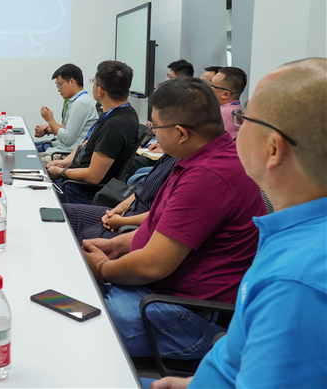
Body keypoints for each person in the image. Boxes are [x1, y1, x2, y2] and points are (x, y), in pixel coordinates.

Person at [150, 58, 327, 389]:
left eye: (244, 118)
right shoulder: (293, 232)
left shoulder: (296, 281)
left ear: (273, 149)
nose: (235, 126)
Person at [81, 77, 266, 361]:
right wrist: (116, 245)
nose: (153, 132)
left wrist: (103, 269)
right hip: (161, 296)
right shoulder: (199, 159)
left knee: (78, 329)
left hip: (183, 315)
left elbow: (153, 264)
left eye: (155, 127)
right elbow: (162, 228)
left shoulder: (208, 176)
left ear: (180, 133)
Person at [46, 61, 140, 205]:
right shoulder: (119, 113)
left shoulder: (114, 125)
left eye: (93, 82)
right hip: (74, 179)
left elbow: (93, 176)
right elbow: (86, 143)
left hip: (81, 190)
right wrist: (66, 162)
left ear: (100, 90)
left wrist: (61, 172)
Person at [64, 153, 178, 244]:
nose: (154, 133)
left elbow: (162, 215)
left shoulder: (184, 172)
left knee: (79, 240)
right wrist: (118, 209)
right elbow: (141, 191)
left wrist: (122, 222)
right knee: (64, 212)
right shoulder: (169, 156)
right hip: (131, 211)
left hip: (140, 226)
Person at [34, 64, 99, 163]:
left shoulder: (80, 103)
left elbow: (67, 139)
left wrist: (50, 119)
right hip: (60, 150)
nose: (58, 89)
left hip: (65, 156)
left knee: (26, 162)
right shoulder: (77, 101)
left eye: (60, 84)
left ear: (72, 81)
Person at [208, 66, 247, 140]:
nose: (207, 88)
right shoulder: (236, 111)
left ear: (225, 94)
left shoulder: (222, 114)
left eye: (211, 85)